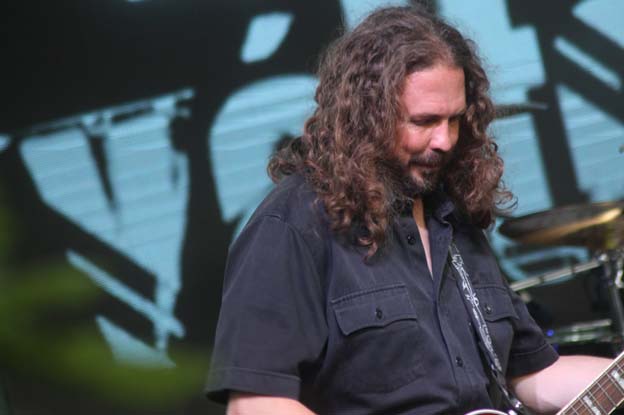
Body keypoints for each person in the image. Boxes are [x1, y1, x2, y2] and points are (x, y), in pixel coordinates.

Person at [206, 5, 612, 415]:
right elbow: (255, 404)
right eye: (424, 121)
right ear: (367, 117)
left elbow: (534, 375)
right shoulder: (292, 224)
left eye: (455, 120)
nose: (444, 140)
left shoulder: (455, 222)